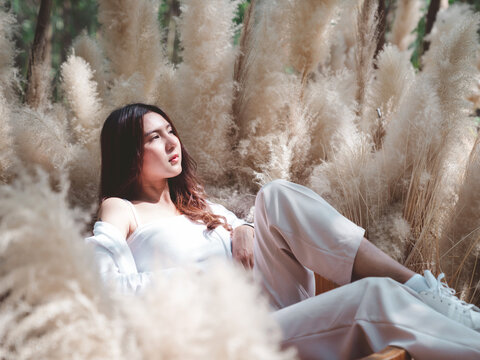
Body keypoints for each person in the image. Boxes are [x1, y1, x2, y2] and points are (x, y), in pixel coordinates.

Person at [85, 103, 480, 359]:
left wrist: (244, 226)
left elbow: (251, 238)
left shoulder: (199, 206)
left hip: (272, 306)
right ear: (128, 153)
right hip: (234, 338)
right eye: (154, 137)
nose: (171, 141)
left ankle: (426, 291)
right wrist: (211, 278)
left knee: (275, 196)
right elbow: (106, 287)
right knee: (372, 296)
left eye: (170, 130)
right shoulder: (122, 209)